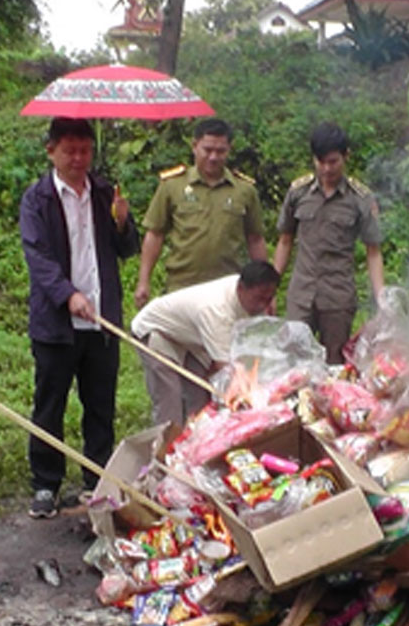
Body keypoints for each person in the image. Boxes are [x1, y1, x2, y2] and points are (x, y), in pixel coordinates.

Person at [19, 118, 140, 518]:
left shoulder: (106, 191)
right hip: (57, 323)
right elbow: (38, 257)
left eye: (85, 150)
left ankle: (96, 479)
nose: (78, 158)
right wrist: (67, 295)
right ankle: (46, 484)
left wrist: (122, 221)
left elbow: (126, 248)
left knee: (100, 403)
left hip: (101, 319)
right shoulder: (37, 199)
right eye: (69, 150)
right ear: (51, 150)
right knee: (50, 403)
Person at [273, 122, 385, 364]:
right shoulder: (298, 193)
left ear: (346, 157)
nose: (326, 168)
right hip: (301, 295)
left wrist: (381, 299)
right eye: (320, 161)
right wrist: (270, 287)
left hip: (338, 297)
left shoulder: (359, 199)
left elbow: (373, 251)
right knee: (292, 363)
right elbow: (285, 240)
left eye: (333, 161)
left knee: (334, 364)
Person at [135, 118, 267, 308]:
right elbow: (155, 234)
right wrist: (143, 281)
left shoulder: (244, 190)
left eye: (220, 151)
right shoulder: (173, 185)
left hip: (228, 290)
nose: (213, 157)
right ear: (194, 146)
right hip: (182, 288)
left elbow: (255, 239)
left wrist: (262, 287)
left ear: (229, 149)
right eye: (207, 150)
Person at [131, 260, 280, 426]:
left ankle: (197, 444)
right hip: (157, 330)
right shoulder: (216, 310)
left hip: (191, 338)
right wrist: (255, 397)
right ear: (241, 289)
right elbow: (225, 367)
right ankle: (165, 448)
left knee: (201, 400)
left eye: (269, 298)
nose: (263, 305)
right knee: (170, 401)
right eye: (259, 298)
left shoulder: (246, 294)